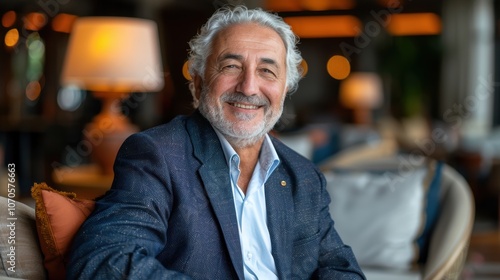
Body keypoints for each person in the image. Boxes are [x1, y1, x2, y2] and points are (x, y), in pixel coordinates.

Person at [67, 5, 365, 280]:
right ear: (197, 83)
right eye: (231, 66)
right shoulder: (157, 155)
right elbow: (105, 261)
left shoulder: (304, 176)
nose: (248, 87)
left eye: (267, 71)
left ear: (285, 89)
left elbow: (340, 270)